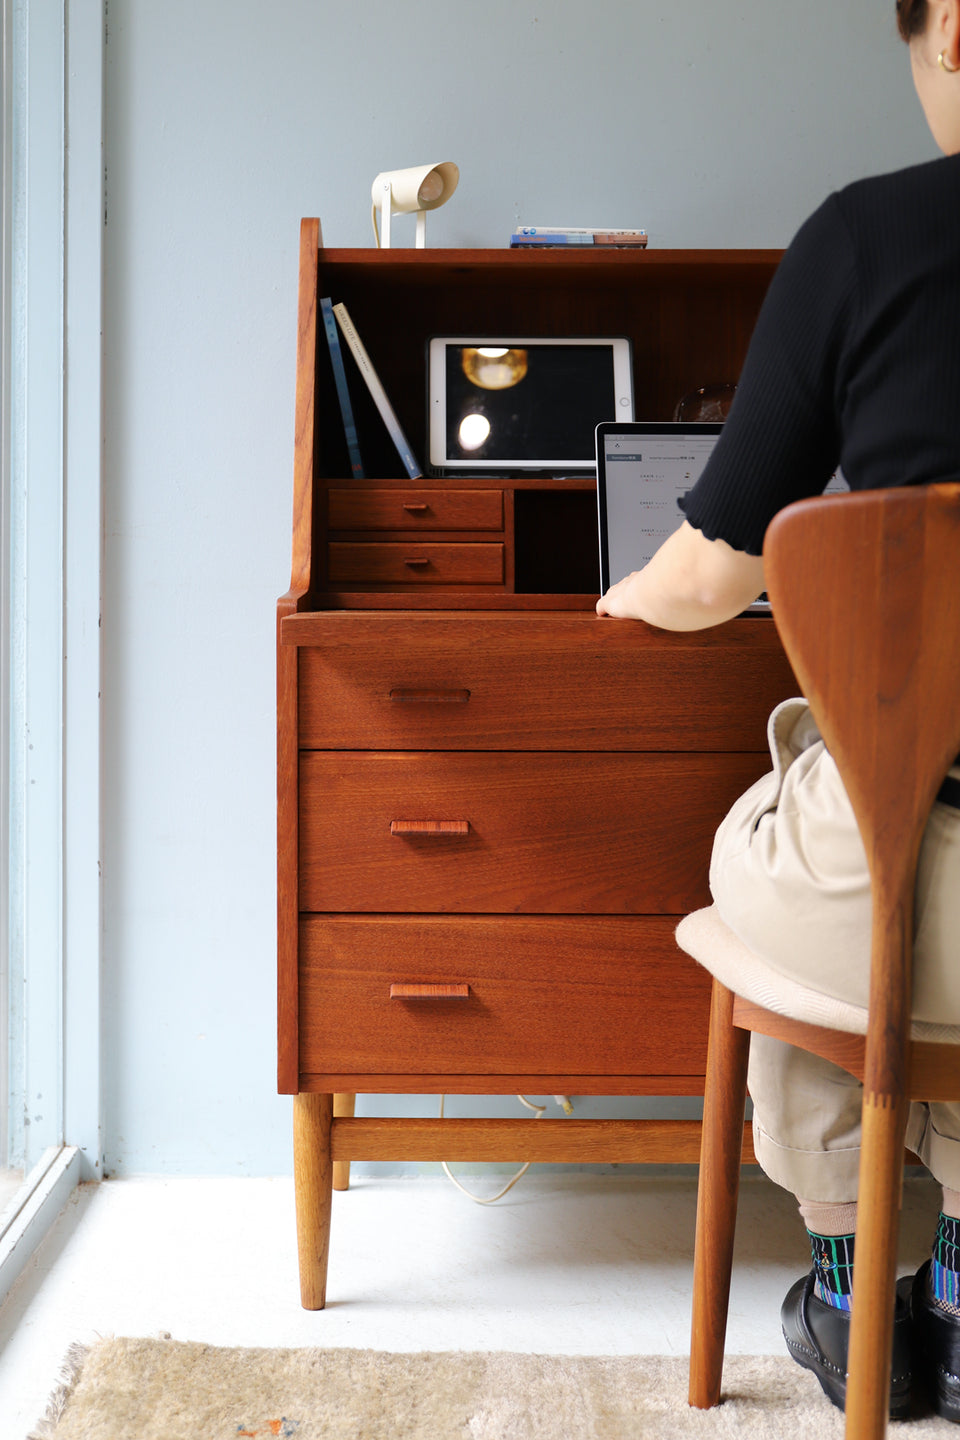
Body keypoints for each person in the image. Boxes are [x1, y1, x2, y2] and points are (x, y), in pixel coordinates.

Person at [597, 0, 960, 1422]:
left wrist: (631, 595)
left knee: (796, 845)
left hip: (902, 884)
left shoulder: (868, 242)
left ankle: (864, 1288)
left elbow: (710, 573)